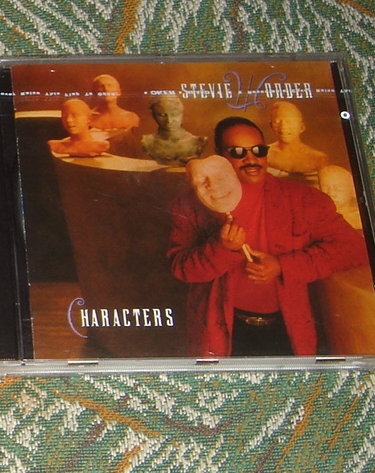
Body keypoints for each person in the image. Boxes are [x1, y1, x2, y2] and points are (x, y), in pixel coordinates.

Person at [168, 116, 366, 357]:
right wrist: (221, 248)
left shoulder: (304, 199)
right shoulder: (190, 204)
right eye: (238, 152)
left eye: (259, 150)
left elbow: (354, 248)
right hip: (221, 334)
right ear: (220, 156)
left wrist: (282, 266)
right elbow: (181, 268)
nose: (251, 159)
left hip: (288, 331)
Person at [266, 100, 329, 177]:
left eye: (289, 122)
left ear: (301, 127)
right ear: (271, 125)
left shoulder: (318, 158)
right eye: (277, 122)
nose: (283, 127)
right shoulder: (265, 154)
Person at [141, 94, 205, 165]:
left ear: (182, 114)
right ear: (154, 116)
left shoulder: (197, 142)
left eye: (174, 114)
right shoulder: (147, 142)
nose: (169, 121)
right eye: (162, 115)